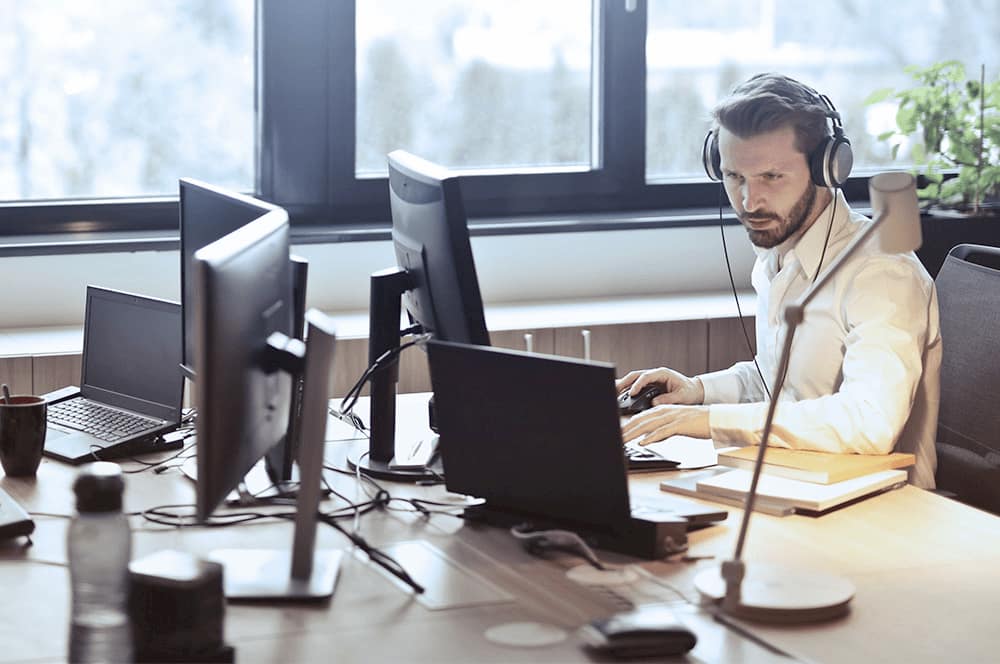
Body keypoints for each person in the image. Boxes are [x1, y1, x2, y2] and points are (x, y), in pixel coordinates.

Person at [619, 73, 941, 488]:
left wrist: (709, 420)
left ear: (828, 168)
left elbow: (870, 423)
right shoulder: (778, 255)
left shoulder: (882, 272)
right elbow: (779, 385)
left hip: (881, 509)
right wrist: (698, 391)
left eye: (771, 177)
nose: (749, 203)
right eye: (735, 177)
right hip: (793, 481)